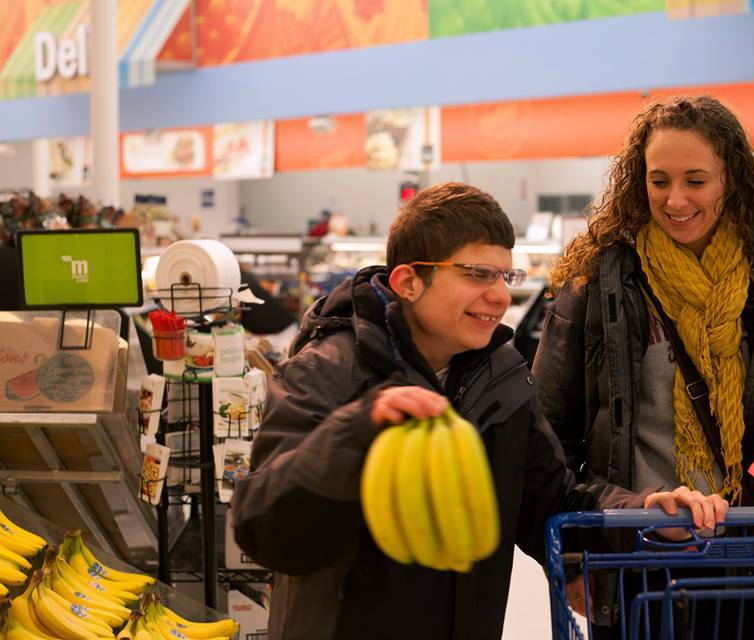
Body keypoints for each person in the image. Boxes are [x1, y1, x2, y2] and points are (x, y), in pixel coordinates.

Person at [231, 182, 649, 640]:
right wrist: (356, 432)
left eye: (504, 277)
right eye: (476, 274)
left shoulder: (502, 376)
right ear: (408, 281)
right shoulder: (324, 373)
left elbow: (551, 501)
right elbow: (263, 527)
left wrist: (645, 513)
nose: (500, 297)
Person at [532, 95, 754, 636]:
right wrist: (573, 558)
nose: (675, 199)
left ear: (728, 179)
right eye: (659, 180)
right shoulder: (599, 280)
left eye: (695, 179)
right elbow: (550, 431)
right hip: (635, 547)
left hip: (747, 547)